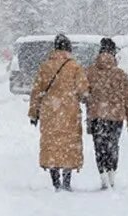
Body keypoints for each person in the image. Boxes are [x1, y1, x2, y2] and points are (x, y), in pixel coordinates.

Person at [28, 34, 89, 191]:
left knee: (52, 144)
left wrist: (33, 113)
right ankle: (67, 181)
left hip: (50, 112)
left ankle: (55, 181)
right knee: (69, 144)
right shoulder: (75, 67)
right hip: (70, 112)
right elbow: (83, 91)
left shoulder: (45, 66)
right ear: (68, 48)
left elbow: (37, 91)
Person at [85, 37, 128, 189]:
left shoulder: (90, 72)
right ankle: (112, 173)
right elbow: (127, 97)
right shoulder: (120, 74)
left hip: (97, 116)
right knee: (112, 145)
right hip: (116, 116)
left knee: (99, 147)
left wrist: (91, 102)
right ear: (113, 53)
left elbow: (84, 94)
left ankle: (103, 174)